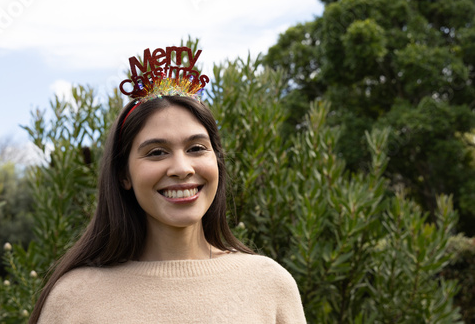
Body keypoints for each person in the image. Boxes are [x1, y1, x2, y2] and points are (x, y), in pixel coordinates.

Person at [30, 47, 306, 323]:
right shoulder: (74, 298)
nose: (182, 169)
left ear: (218, 162)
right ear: (123, 174)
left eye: (196, 148)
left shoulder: (269, 285)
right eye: (157, 152)